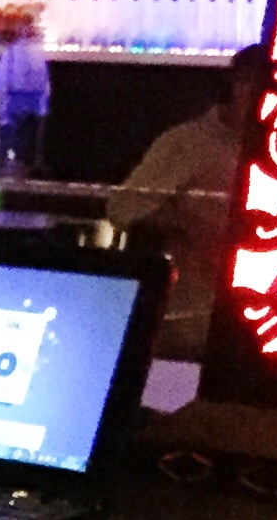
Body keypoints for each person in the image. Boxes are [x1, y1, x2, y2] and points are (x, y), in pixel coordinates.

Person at [108, 48, 266, 357]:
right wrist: (185, 223)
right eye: (254, 84)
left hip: (258, 320)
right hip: (192, 321)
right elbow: (123, 207)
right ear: (237, 84)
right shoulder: (188, 143)